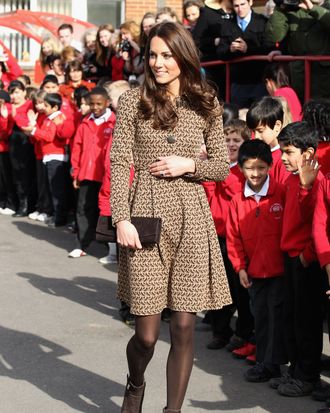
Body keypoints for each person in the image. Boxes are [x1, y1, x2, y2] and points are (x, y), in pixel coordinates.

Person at [110, 21, 231, 413]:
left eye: (167, 55)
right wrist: (120, 219)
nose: (158, 63)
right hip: (143, 215)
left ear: (184, 56)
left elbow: (222, 167)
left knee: (183, 326)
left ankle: (172, 410)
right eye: (153, 55)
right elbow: (119, 161)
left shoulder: (206, 102)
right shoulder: (132, 101)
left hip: (191, 217)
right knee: (146, 335)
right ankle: (135, 382)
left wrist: (187, 163)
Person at [227, 139, 287, 382]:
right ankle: (266, 362)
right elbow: (234, 238)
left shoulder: (281, 192)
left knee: (278, 318)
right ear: (241, 168)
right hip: (254, 272)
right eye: (250, 168)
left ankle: (276, 363)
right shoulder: (237, 201)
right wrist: (240, 267)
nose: (255, 173)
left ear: (270, 166)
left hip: (281, 270)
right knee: (260, 317)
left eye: (261, 168)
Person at [271, 121, 324, 397]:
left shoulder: (316, 180)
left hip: (307, 261)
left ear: (309, 153)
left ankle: (307, 376)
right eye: (281, 151)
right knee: (292, 317)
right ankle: (295, 371)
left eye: (289, 152)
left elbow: (317, 223)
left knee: (307, 322)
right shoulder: (291, 179)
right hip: (291, 257)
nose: (283, 158)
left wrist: (306, 256)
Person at [202, 119, 254, 351]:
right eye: (227, 140)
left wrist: (221, 171)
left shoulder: (244, 170)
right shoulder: (218, 166)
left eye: (237, 140)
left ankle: (243, 332)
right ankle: (220, 330)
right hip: (215, 232)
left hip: (236, 236)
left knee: (240, 290)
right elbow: (208, 193)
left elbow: (237, 192)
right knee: (217, 287)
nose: (231, 145)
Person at [69, 87, 116, 258]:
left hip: (106, 176)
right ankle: (81, 244)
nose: (95, 107)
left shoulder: (114, 122)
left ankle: (111, 249)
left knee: (107, 211)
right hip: (87, 174)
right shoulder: (84, 122)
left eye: (99, 103)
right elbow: (77, 148)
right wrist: (76, 173)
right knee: (83, 209)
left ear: (107, 102)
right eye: (92, 104)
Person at [23, 93, 74, 227]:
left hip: (56, 157)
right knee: (51, 188)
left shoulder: (57, 117)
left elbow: (49, 137)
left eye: (46, 105)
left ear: (55, 106)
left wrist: (34, 131)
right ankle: (54, 214)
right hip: (48, 156)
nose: (43, 107)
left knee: (57, 190)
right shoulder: (47, 118)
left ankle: (59, 217)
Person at [265, 0, 330, 102]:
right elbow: (274, 36)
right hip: (299, 78)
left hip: (325, 79)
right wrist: (280, 6)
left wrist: (312, 8)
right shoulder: (293, 8)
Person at [8, 80, 36, 217]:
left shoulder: (30, 105)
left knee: (26, 174)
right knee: (16, 174)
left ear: (24, 92)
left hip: (26, 142)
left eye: (17, 92)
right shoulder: (8, 106)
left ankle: (27, 205)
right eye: (12, 93)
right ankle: (19, 203)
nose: (14, 96)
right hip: (13, 143)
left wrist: (15, 116)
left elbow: (27, 126)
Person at [246, 96, 290, 183]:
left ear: (277, 126)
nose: (256, 136)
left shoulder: (284, 159)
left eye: (260, 130)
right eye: (253, 131)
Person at [0, 90, 16, 216]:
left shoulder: (7, 112)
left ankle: (11, 203)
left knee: (7, 178)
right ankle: (2, 201)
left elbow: (5, 134)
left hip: (4, 149)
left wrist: (4, 118)